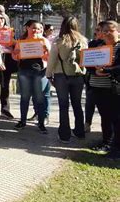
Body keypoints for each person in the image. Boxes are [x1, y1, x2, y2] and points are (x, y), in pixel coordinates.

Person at [46, 17, 87, 143]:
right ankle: (80, 132)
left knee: (63, 105)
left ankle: (64, 135)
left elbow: (52, 59)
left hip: (61, 76)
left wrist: (48, 75)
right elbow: (86, 59)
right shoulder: (83, 41)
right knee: (77, 104)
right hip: (78, 76)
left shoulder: (58, 41)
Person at [12, 20, 51, 133]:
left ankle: (41, 124)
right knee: (24, 98)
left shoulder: (44, 41)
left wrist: (47, 51)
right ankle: (22, 121)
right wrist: (16, 53)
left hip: (39, 72)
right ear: (27, 28)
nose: (36, 30)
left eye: (38, 28)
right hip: (24, 71)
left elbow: (50, 58)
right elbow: (15, 57)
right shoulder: (21, 41)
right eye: (33, 28)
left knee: (39, 98)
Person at [88, 20, 120, 153]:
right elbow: (88, 63)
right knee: (104, 117)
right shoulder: (98, 46)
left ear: (118, 31)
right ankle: (106, 142)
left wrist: (107, 70)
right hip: (97, 87)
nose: (107, 34)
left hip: (113, 89)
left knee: (116, 119)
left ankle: (115, 147)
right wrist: (94, 71)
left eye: (110, 30)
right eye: (104, 31)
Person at [84, 21, 107, 133]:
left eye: (98, 30)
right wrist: (94, 71)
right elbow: (88, 62)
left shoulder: (111, 45)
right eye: (96, 30)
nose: (96, 32)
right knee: (89, 103)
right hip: (92, 80)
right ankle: (87, 123)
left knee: (105, 109)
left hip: (107, 82)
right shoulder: (92, 44)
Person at [0, 12, 15, 118]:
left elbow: (13, 46)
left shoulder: (9, 31)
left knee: (5, 85)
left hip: (7, 60)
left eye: (2, 18)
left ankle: (5, 109)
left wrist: (12, 45)